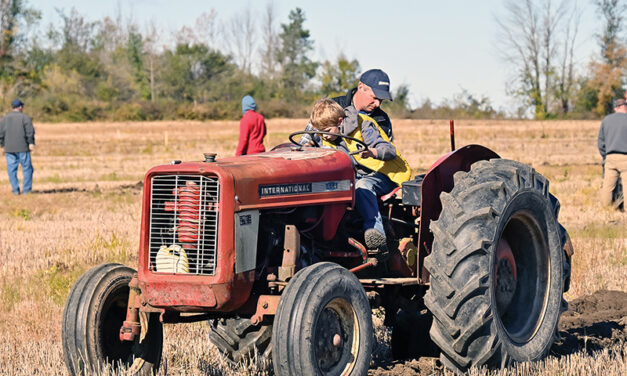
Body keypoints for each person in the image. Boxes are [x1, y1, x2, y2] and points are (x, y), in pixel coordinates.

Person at [308, 98, 411, 254]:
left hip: (382, 174)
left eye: (327, 132)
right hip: (354, 177)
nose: (325, 137)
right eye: (321, 133)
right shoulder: (324, 133)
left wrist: (372, 152)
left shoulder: (363, 125)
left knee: (362, 187)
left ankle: (376, 236)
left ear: (340, 122)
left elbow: (388, 150)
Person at [300, 69, 394, 145]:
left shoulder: (383, 121)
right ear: (360, 87)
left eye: (381, 100)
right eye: (374, 97)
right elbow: (305, 143)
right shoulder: (329, 108)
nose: (378, 104)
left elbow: (388, 153)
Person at [0, 99, 35, 195]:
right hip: (23, 147)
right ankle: (27, 190)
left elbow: (1, 134)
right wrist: (31, 143)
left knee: (11, 170)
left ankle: (15, 190)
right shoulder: (25, 118)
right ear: (20, 107)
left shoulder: (4, 119)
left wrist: (2, 145)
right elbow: (30, 132)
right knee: (27, 168)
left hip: (9, 148)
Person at [598, 97, 627, 210]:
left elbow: (600, 142)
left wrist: (605, 155)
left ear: (616, 108)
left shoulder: (606, 120)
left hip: (610, 157)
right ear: (625, 107)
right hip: (625, 157)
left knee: (608, 186)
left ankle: (606, 209)